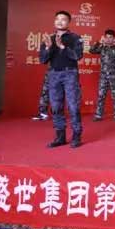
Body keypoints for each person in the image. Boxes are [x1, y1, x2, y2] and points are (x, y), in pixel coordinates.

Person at [39, 10, 84, 148]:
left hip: (70, 74)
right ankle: (60, 136)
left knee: (73, 105)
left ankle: (76, 135)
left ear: (69, 22)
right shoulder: (49, 38)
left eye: (63, 19)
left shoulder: (75, 38)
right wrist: (48, 47)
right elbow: (42, 60)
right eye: (57, 19)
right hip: (54, 74)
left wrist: (62, 47)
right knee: (56, 106)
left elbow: (77, 56)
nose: (60, 21)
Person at [90, 29, 115, 122]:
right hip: (103, 76)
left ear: (114, 38)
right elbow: (91, 50)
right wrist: (98, 43)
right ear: (104, 38)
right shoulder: (102, 47)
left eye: (110, 37)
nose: (108, 39)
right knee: (101, 95)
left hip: (113, 76)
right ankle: (98, 115)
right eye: (107, 37)